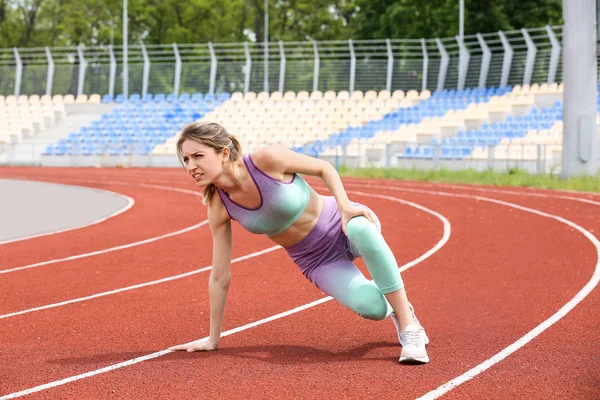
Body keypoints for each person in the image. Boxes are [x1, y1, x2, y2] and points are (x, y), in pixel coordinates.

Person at [168, 121, 429, 364]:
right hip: (317, 260)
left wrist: (346, 206)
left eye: (198, 156)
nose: (191, 166)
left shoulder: (266, 160)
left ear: (224, 153)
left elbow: (323, 168)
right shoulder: (219, 206)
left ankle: (409, 327)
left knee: (364, 232)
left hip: (342, 223)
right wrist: (213, 339)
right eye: (186, 159)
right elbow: (219, 276)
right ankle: (399, 306)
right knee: (371, 308)